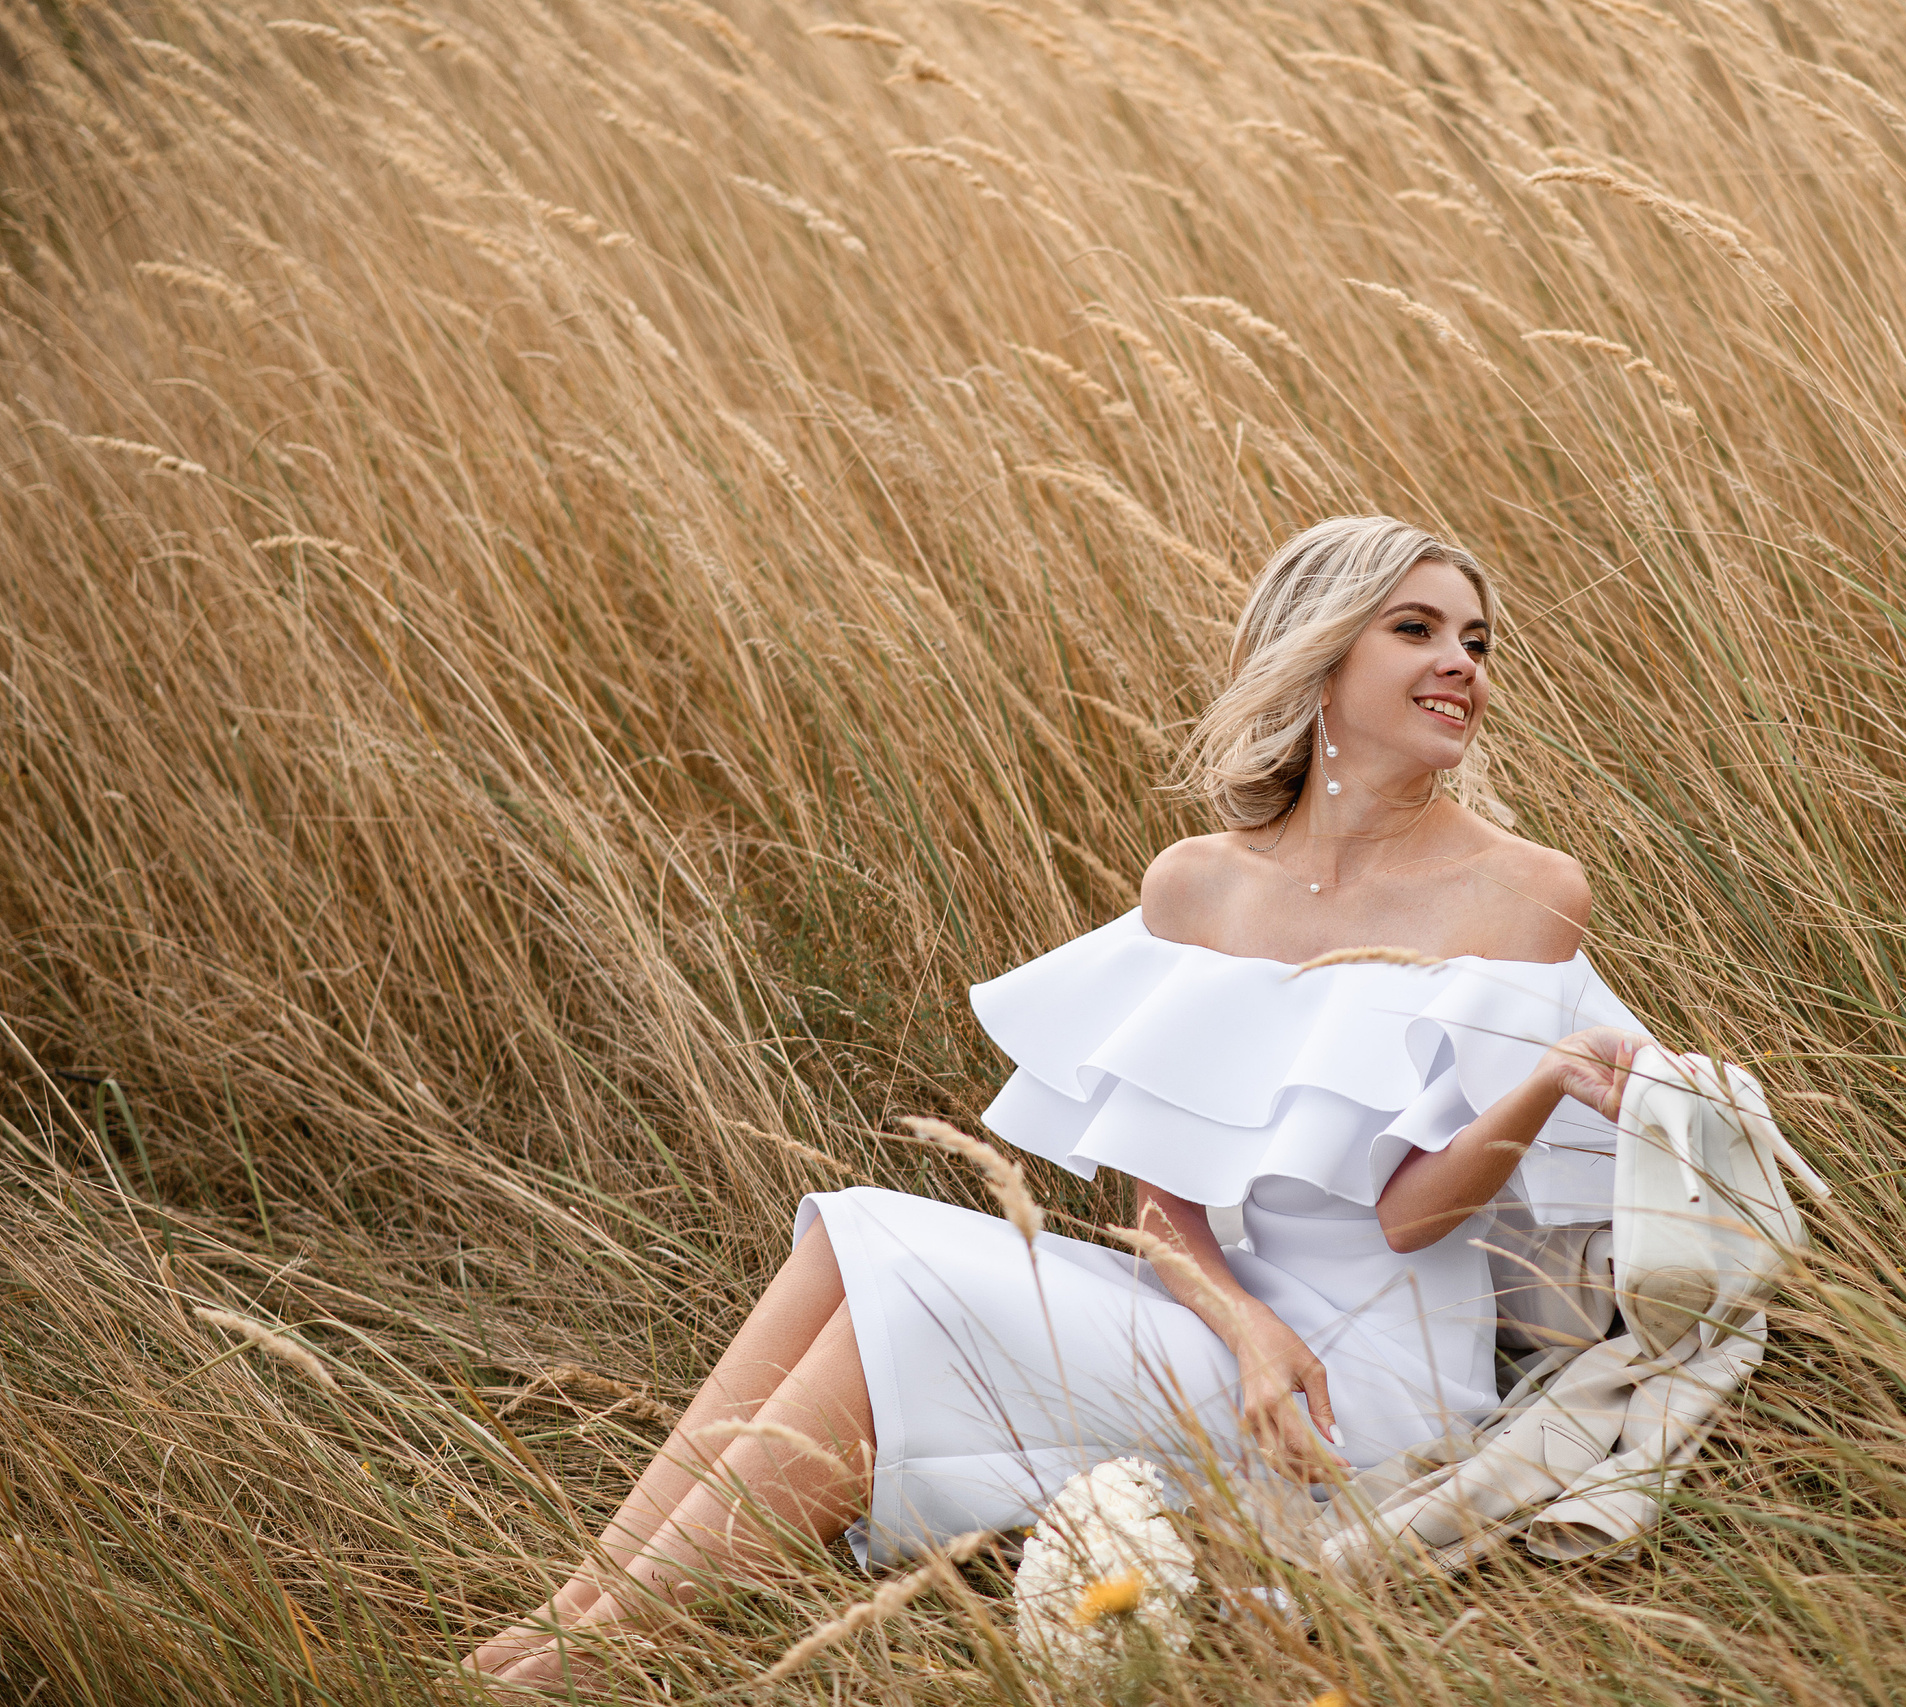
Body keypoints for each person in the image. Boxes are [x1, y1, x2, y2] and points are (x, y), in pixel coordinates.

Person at [466, 515, 1653, 1690]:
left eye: (1478, 641)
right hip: (1226, 1321)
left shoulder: (1520, 889)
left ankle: (600, 1662)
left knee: (926, 1296)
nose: (1462, 662)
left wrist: (1544, 1080)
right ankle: (572, 1614)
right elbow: (1162, 1211)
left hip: (1368, 1377)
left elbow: (1412, 1222)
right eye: (1417, 629)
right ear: (1321, 655)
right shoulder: (1199, 885)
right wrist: (1246, 1330)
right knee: (857, 1226)